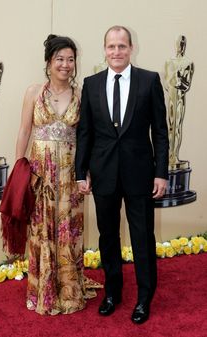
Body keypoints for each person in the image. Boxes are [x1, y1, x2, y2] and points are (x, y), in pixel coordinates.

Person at [75, 26, 169, 324]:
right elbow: (85, 133)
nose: (116, 52)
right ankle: (112, 293)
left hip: (141, 174)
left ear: (131, 48)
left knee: (142, 237)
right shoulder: (91, 84)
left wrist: (161, 173)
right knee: (108, 238)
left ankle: (144, 298)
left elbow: (161, 132)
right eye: (111, 46)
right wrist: (81, 172)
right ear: (104, 49)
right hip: (103, 174)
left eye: (122, 46)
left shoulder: (149, 80)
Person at [15, 34, 101, 315]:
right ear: (49, 62)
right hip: (41, 173)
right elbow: (25, 131)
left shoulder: (82, 95)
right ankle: (43, 289)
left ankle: (69, 290)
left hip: (69, 173)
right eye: (59, 59)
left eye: (70, 59)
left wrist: (86, 172)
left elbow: (88, 137)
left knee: (69, 230)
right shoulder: (33, 92)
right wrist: (19, 169)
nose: (65, 65)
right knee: (42, 230)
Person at [164, 35, 194, 169]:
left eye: (183, 43)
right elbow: (166, 82)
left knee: (177, 127)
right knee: (170, 125)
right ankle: (169, 155)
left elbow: (187, 85)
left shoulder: (188, 63)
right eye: (179, 43)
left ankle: (175, 155)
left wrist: (180, 81)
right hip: (171, 97)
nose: (181, 45)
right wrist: (172, 81)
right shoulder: (169, 62)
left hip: (180, 97)